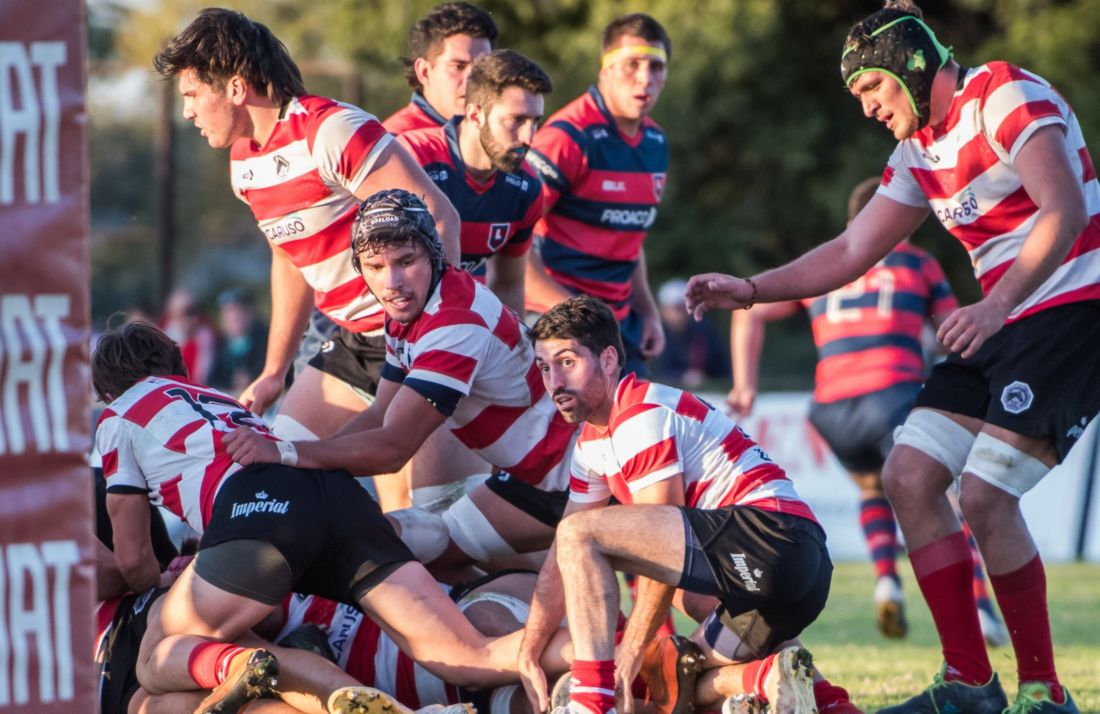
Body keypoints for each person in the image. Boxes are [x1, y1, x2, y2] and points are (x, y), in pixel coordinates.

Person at [686, 2, 1100, 711]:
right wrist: (751, 291)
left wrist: (993, 306)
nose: (868, 108)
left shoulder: (1002, 92)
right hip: (1003, 321)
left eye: (872, 88)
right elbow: (851, 250)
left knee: (984, 496)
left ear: (911, 65)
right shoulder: (917, 152)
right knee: (908, 477)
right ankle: (969, 683)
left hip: (1071, 311)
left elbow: (1065, 210)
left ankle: (1044, 690)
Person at [92, 320, 572, 712]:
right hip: (329, 489)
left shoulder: (118, 417)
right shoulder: (213, 395)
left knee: (157, 655)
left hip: (259, 508)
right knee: (464, 653)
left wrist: (155, 581)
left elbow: (132, 557)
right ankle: (595, 655)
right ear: (176, 365)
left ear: (109, 391)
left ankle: (348, 699)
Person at [518, 296, 854, 714]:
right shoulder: (592, 446)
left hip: (772, 539)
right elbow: (561, 557)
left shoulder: (640, 413)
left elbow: (644, 538)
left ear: (608, 359)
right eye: (544, 367)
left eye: (567, 362)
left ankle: (591, 701)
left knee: (581, 534)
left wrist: (630, 653)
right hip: (793, 571)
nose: (554, 382)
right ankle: (819, 700)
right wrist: (529, 649)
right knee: (679, 678)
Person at [225, 189, 579, 571]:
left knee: (398, 547)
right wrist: (297, 464)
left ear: (434, 254)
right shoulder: (410, 307)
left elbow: (394, 449)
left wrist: (286, 454)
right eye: (375, 266)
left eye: (406, 261)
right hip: (528, 479)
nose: (392, 281)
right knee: (429, 548)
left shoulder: (454, 324)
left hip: (568, 478)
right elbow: (380, 412)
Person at [154, 8, 461, 448]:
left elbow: (438, 216)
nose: (187, 112)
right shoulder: (243, 159)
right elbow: (288, 259)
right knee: (283, 465)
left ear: (236, 88)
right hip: (354, 341)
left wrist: (437, 336)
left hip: (410, 336)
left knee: (413, 483)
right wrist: (273, 371)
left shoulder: (329, 130)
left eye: (192, 94)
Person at [729, 177, 1008, 645]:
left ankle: (886, 582)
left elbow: (750, 311)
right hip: (891, 394)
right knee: (947, 496)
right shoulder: (916, 262)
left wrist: (745, 384)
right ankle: (980, 609)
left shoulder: (825, 265)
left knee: (872, 488)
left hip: (831, 408)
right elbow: (952, 332)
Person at [380, 49, 552, 512]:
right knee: (302, 467)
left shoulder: (525, 189)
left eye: (535, 121)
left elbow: (509, 283)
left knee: (443, 512)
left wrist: (511, 360)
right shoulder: (412, 156)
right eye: (516, 121)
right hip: (372, 334)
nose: (529, 137)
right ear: (474, 113)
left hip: (449, 345)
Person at [524, 13, 670, 377]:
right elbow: (511, 240)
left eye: (656, 67)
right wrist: (573, 314)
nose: (645, 78)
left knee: (646, 413)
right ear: (605, 70)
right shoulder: (567, 138)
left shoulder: (655, 142)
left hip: (615, 323)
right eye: (632, 64)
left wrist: (649, 312)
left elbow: (629, 240)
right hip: (555, 320)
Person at [383, 2, 498, 135]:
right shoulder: (395, 141)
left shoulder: (503, 133)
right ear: (424, 72)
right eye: (458, 66)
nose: (473, 80)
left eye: (482, 67)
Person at [653, 278, 728, 389]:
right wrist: (682, 376)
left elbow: (722, 370)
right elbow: (658, 371)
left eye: (684, 307)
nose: (681, 312)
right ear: (663, 310)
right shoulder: (657, 335)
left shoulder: (705, 331)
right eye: (676, 308)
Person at [211, 287, 269, 394]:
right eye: (229, 312)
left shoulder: (266, 340)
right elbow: (212, 381)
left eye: (240, 310)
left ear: (251, 313)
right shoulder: (218, 344)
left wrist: (252, 378)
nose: (235, 316)